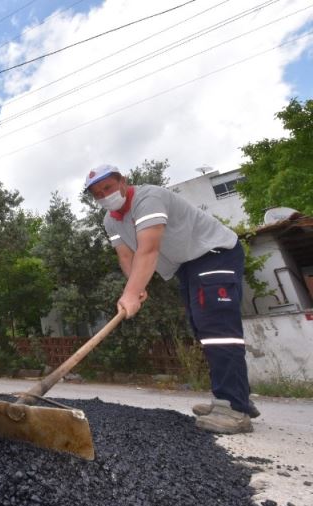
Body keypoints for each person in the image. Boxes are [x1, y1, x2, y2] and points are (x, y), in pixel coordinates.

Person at [85, 164, 258, 434]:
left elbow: (148, 248)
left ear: (123, 181)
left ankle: (234, 408)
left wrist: (130, 293)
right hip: (187, 265)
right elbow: (126, 255)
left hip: (214, 253)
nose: (105, 195)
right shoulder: (111, 220)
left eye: (108, 187)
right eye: (98, 194)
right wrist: (135, 288)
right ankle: (233, 397)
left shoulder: (148, 198)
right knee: (202, 328)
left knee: (217, 329)